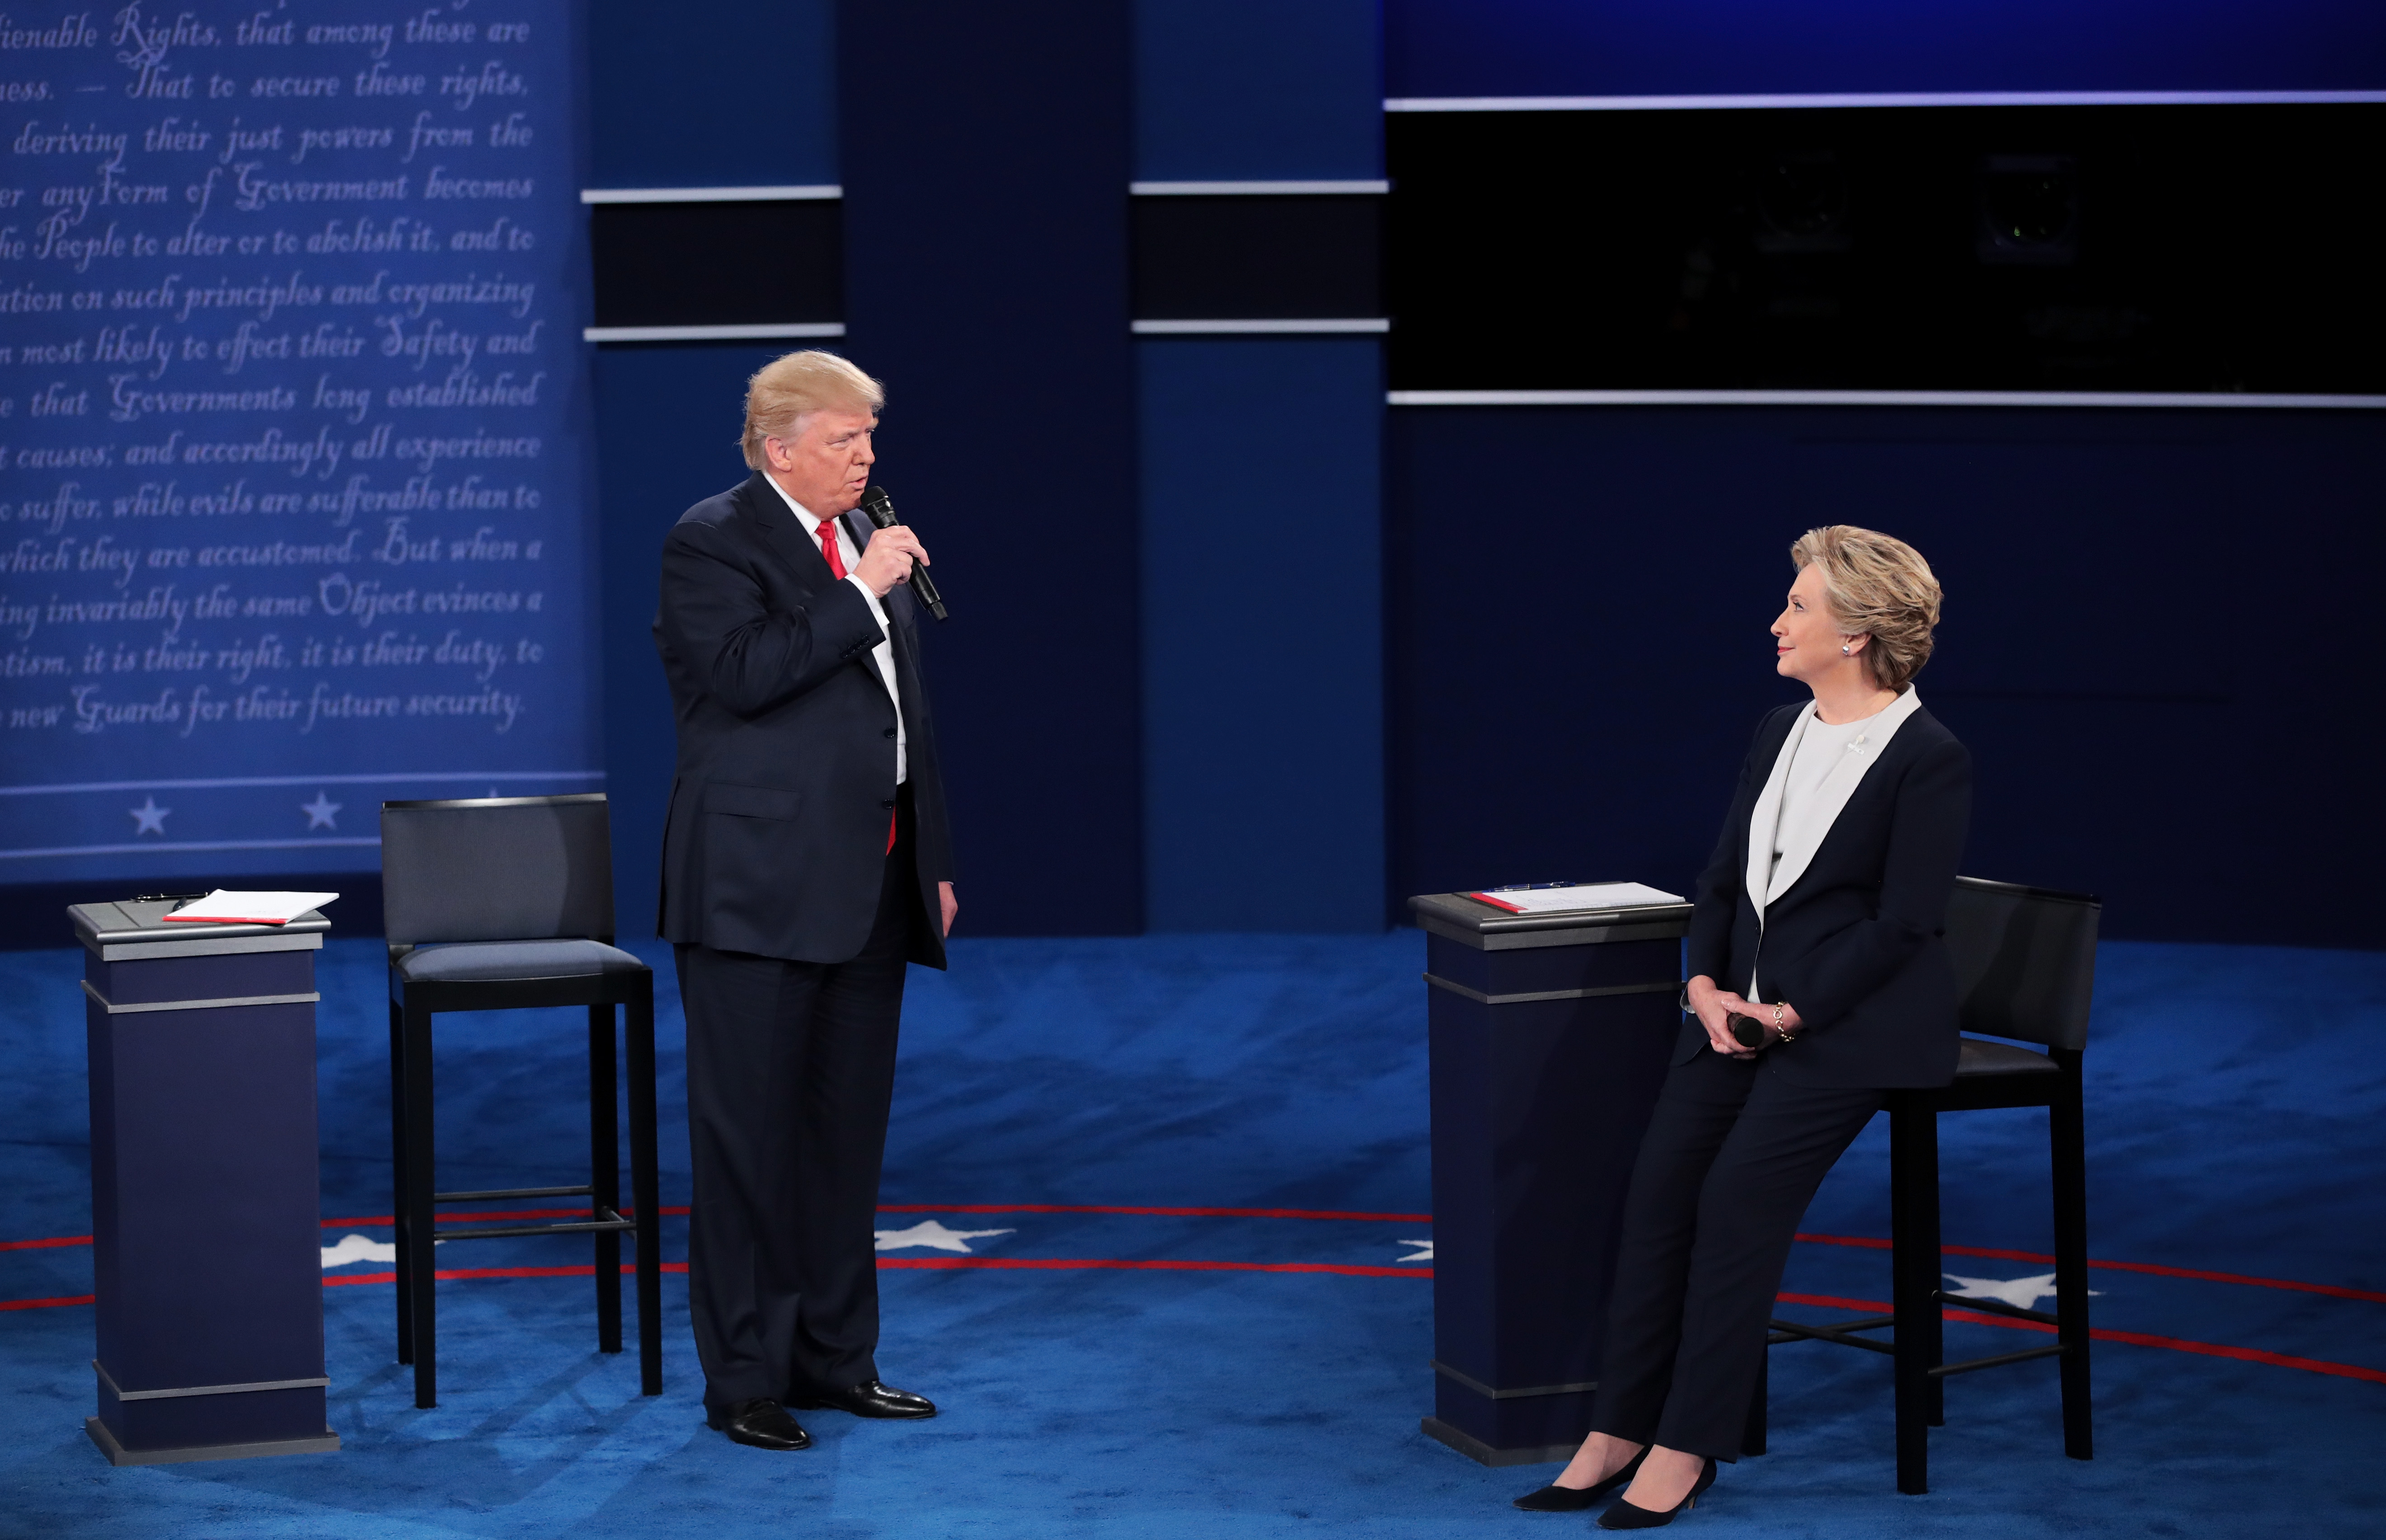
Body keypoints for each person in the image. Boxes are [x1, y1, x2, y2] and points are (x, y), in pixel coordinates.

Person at [1514, 526, 1970, 1527]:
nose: (1779, 620)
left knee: (1733, 1212)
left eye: (1799, 606)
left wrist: (1791, 1013)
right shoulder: (1779, 728)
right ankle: (1618, 1427)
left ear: (1855, 633)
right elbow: (1725, 879)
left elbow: (1907, 925)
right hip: (1736, 1020)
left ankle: (1686, 1448)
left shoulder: (1927, 758)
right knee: (1659, 1196)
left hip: (1851, 1031)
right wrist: (1709, 989)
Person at [652, 350, 959, 1452]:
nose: (867, 457)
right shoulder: (713, 540)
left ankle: (836, 1362)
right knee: (749, 1147)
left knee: (843, 1142)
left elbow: (898, 720)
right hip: (753, 894)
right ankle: (744, 1380)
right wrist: (858, 591)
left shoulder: (856, 545)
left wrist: (931, 860)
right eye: (846, 440)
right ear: (780, 449)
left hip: (870, 883)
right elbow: (743, 676)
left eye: (870, 438)